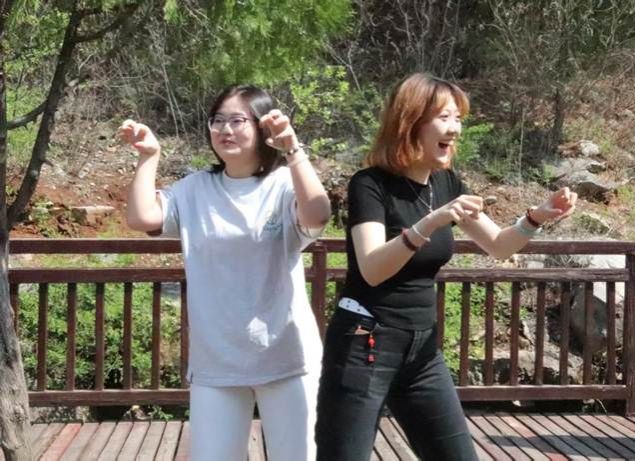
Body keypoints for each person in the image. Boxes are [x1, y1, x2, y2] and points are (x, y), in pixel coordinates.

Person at [314, 73, 577, 461]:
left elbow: (499, 245)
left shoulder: (446, 183)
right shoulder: (370, 185)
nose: (455, 129)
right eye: (444, 118)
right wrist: (429, 224)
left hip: (421, 350)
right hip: (364, 342)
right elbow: (371, 268)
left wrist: (536, 217)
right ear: (410, 122)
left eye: (458, 119)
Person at [119, 84, 330, 461]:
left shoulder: (283, 185)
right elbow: (141, 216)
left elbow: (318, 214)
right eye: (217, 120)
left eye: (237, 120)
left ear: (262, 127)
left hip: (286, 357)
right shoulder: (195, 188)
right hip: (216, 361)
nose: (225, 130)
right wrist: (149, 156)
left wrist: (293, 150)